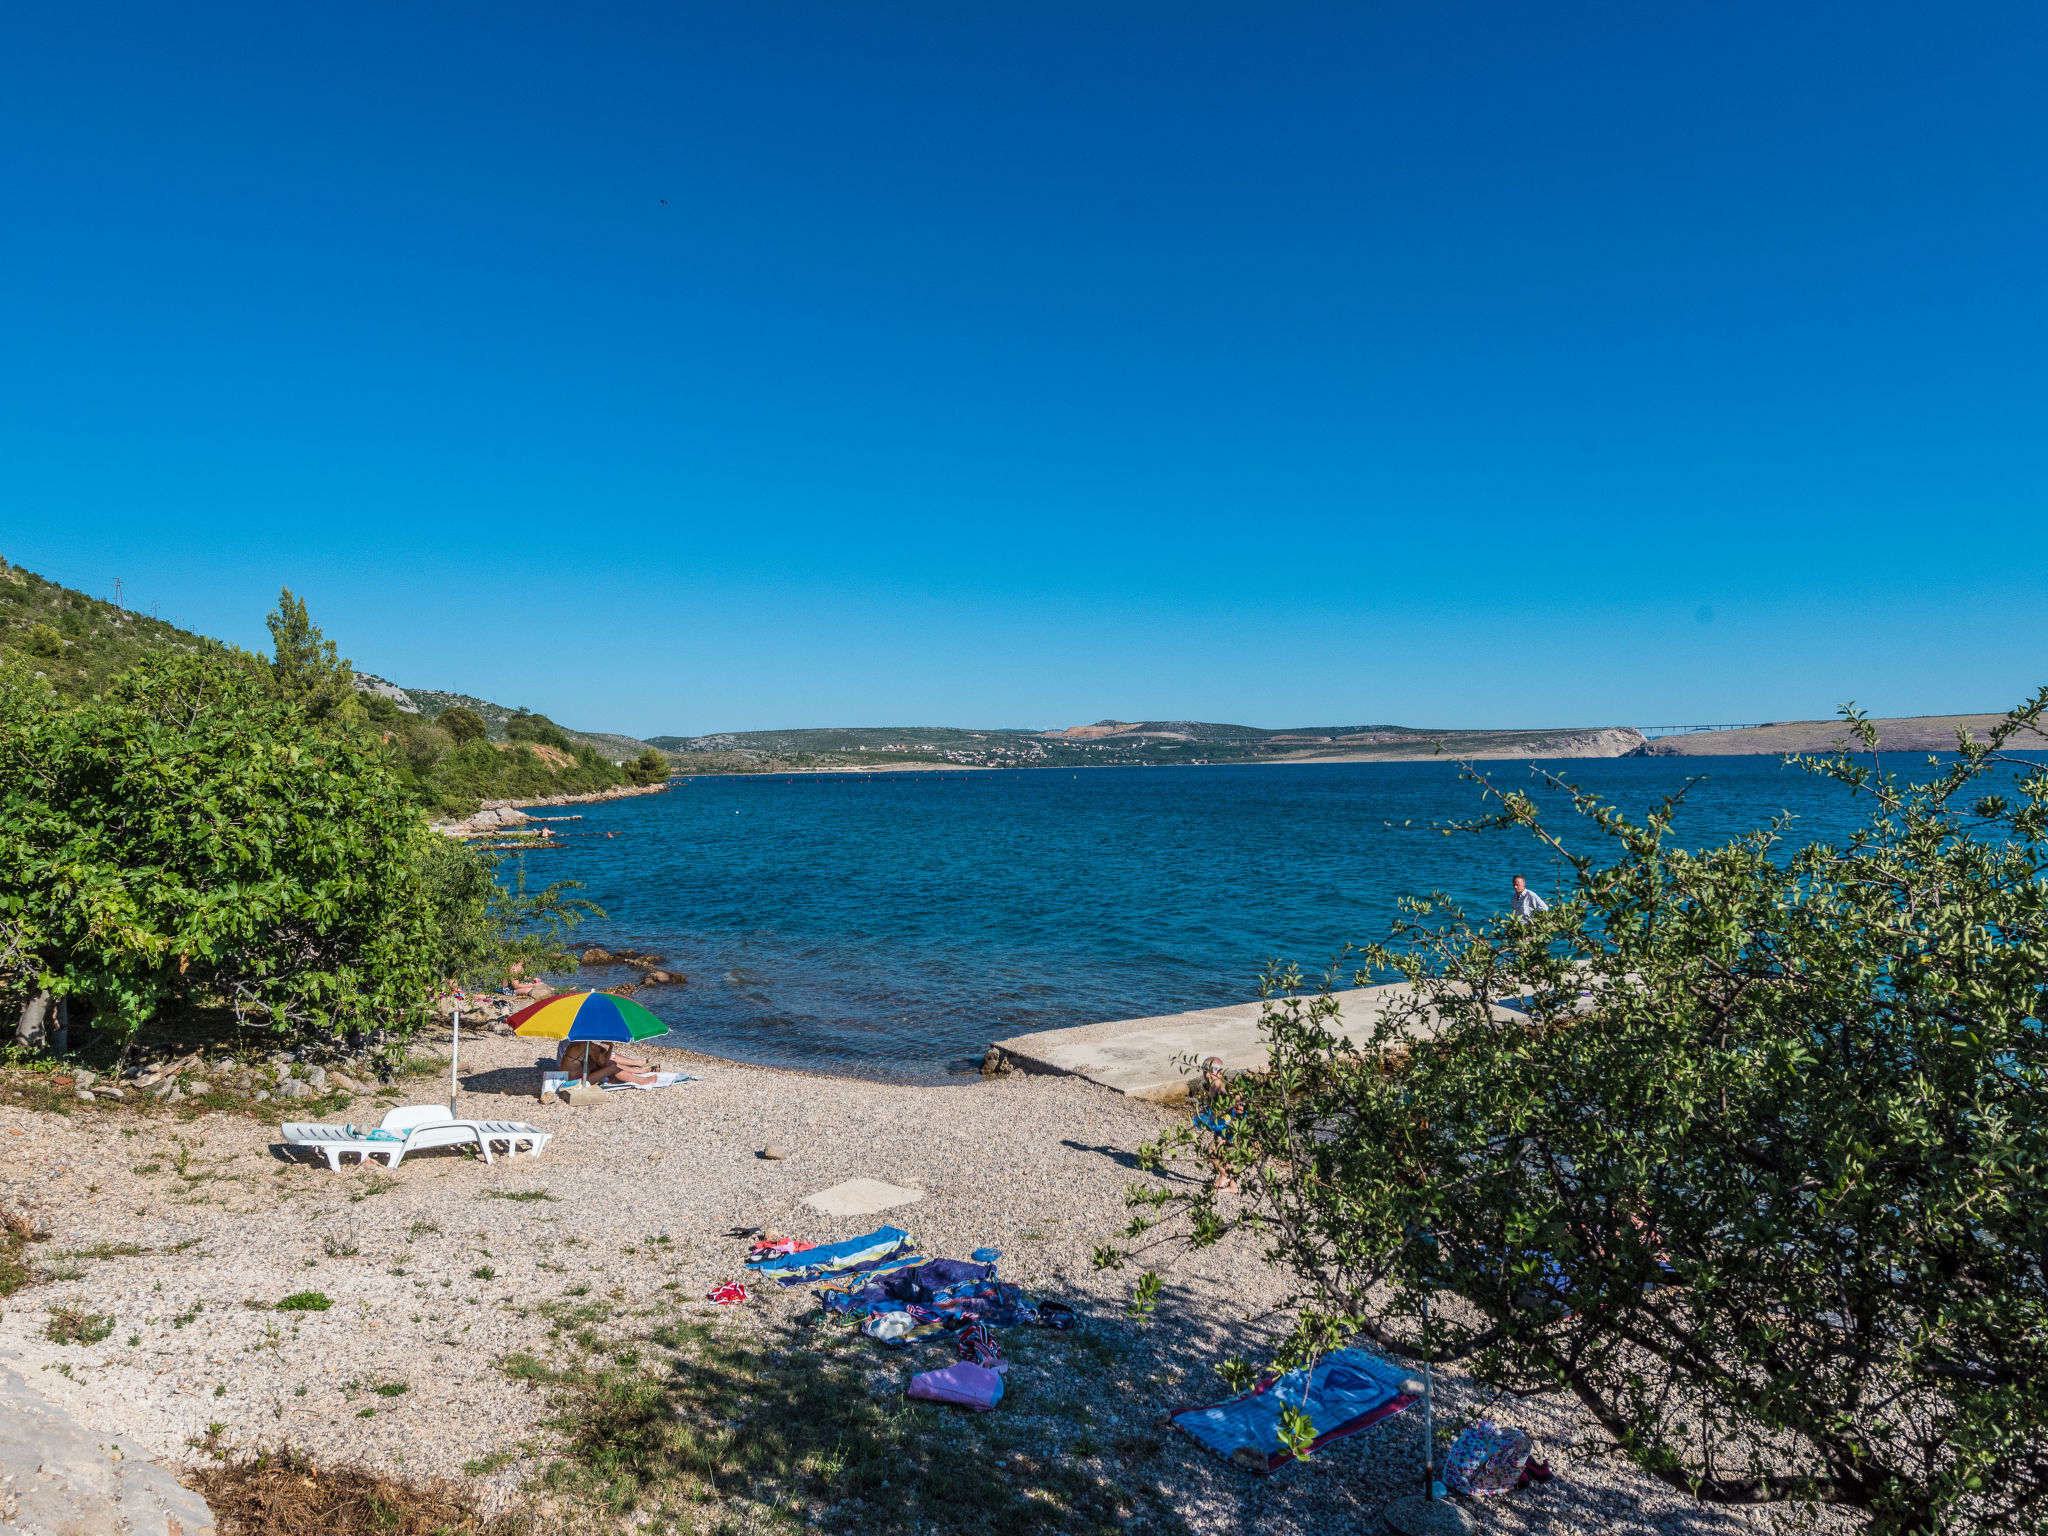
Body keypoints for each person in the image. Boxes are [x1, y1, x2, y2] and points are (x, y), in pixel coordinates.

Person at [1193, 1056, 1245, 1193]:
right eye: (1204, 1070)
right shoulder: (1212, 1087)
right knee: (1222, 1154)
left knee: (1211, 1152)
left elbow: (1239, 1101)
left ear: (1220, 1073)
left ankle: (1225, 1176)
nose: (1206, 1074)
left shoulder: (1223, 1088)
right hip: (1220, 1124)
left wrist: (1237, 1114)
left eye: (1210, 1071)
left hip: (1229, 1125)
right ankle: (1233, 1186)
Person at [557, 1039, 656, 1087]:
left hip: (569, 1076)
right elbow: (603, 1061)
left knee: (606, 1064)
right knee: (611, 1067)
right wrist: (610, 1046)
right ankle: (641, 1080)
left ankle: (615, 1078)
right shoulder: (586, 1044)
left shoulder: (575, 1042)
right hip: (576, 1082)